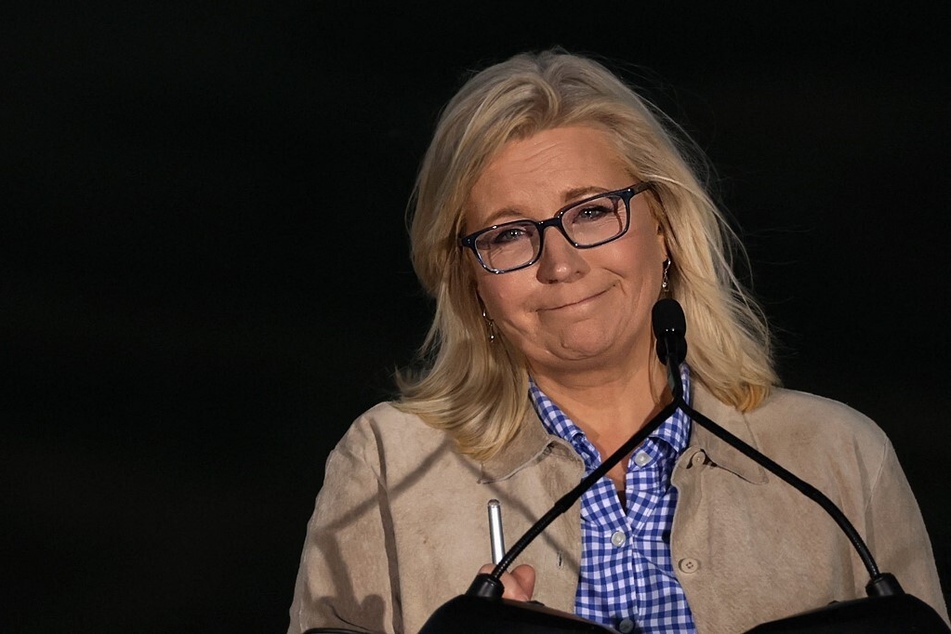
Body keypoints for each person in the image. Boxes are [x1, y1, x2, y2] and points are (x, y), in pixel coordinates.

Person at [287, 49, 949, 633]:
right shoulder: (387, 463)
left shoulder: (837, 456)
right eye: (509, 233)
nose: (561, 263)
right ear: (469, 279)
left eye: (592, 212)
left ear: (663, 229)